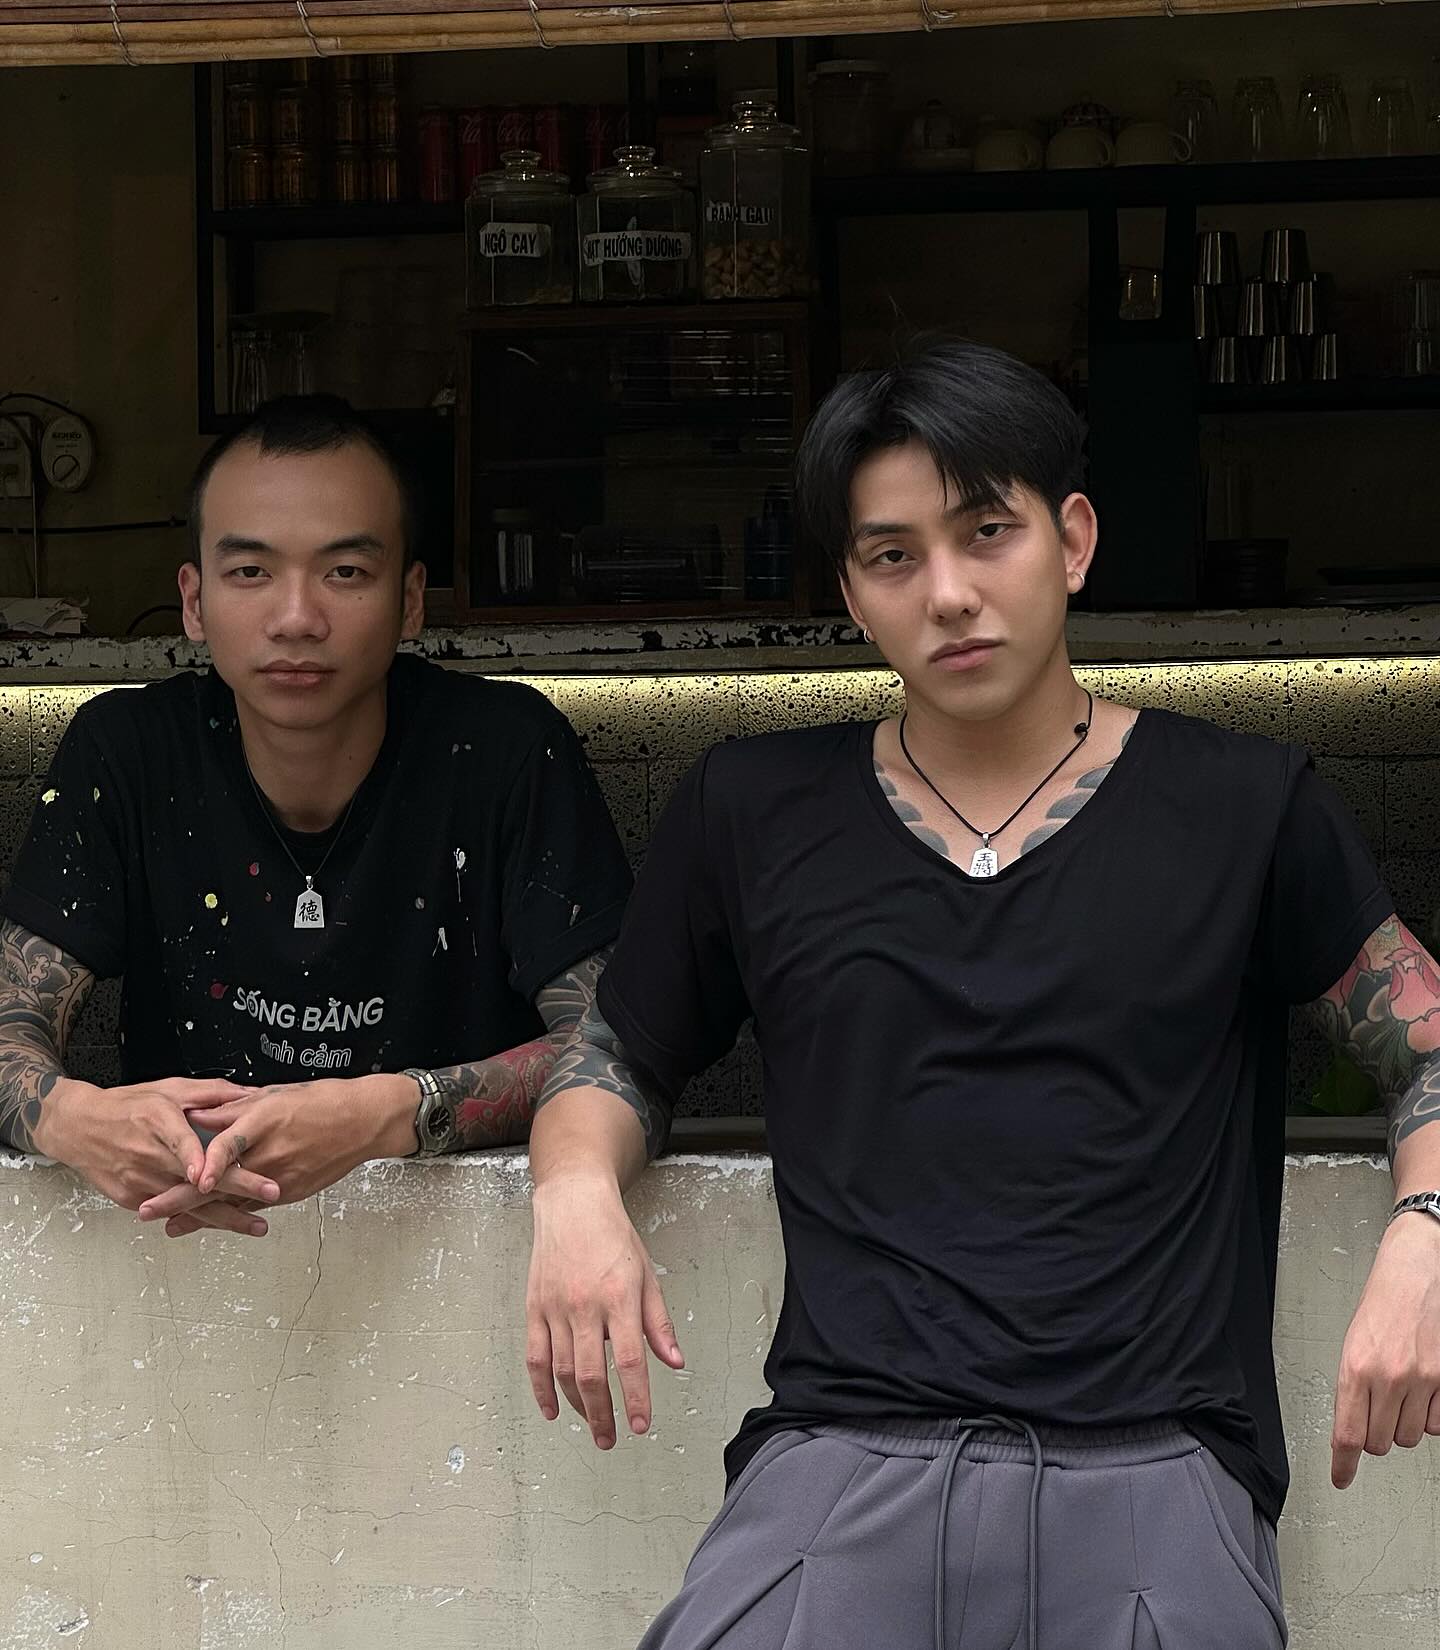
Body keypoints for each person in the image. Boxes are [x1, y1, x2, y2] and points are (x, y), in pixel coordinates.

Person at [524, 340, 1440, 1648]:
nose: (948, 593)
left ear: (1073, 540)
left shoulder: (1242, 803)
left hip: (1153, 1465)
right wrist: (572, 1193)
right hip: (840, 1459)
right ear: (852, 592)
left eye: (987, 532)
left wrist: (1424, 1227)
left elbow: (1425, 1045)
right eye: (893, 555)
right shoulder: (752, 808)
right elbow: (620, 1052)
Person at [0, 396, 630, 1239]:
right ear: (194, 600)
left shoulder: (505, 750)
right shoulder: (127, 750)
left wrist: (386, 1113)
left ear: (411, 599)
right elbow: (11, 1022)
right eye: (249, 572)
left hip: (462, 1250)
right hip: (180, 1255)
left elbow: (619, 1041)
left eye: (346, 572)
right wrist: (71, 1119)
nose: (296, 618)